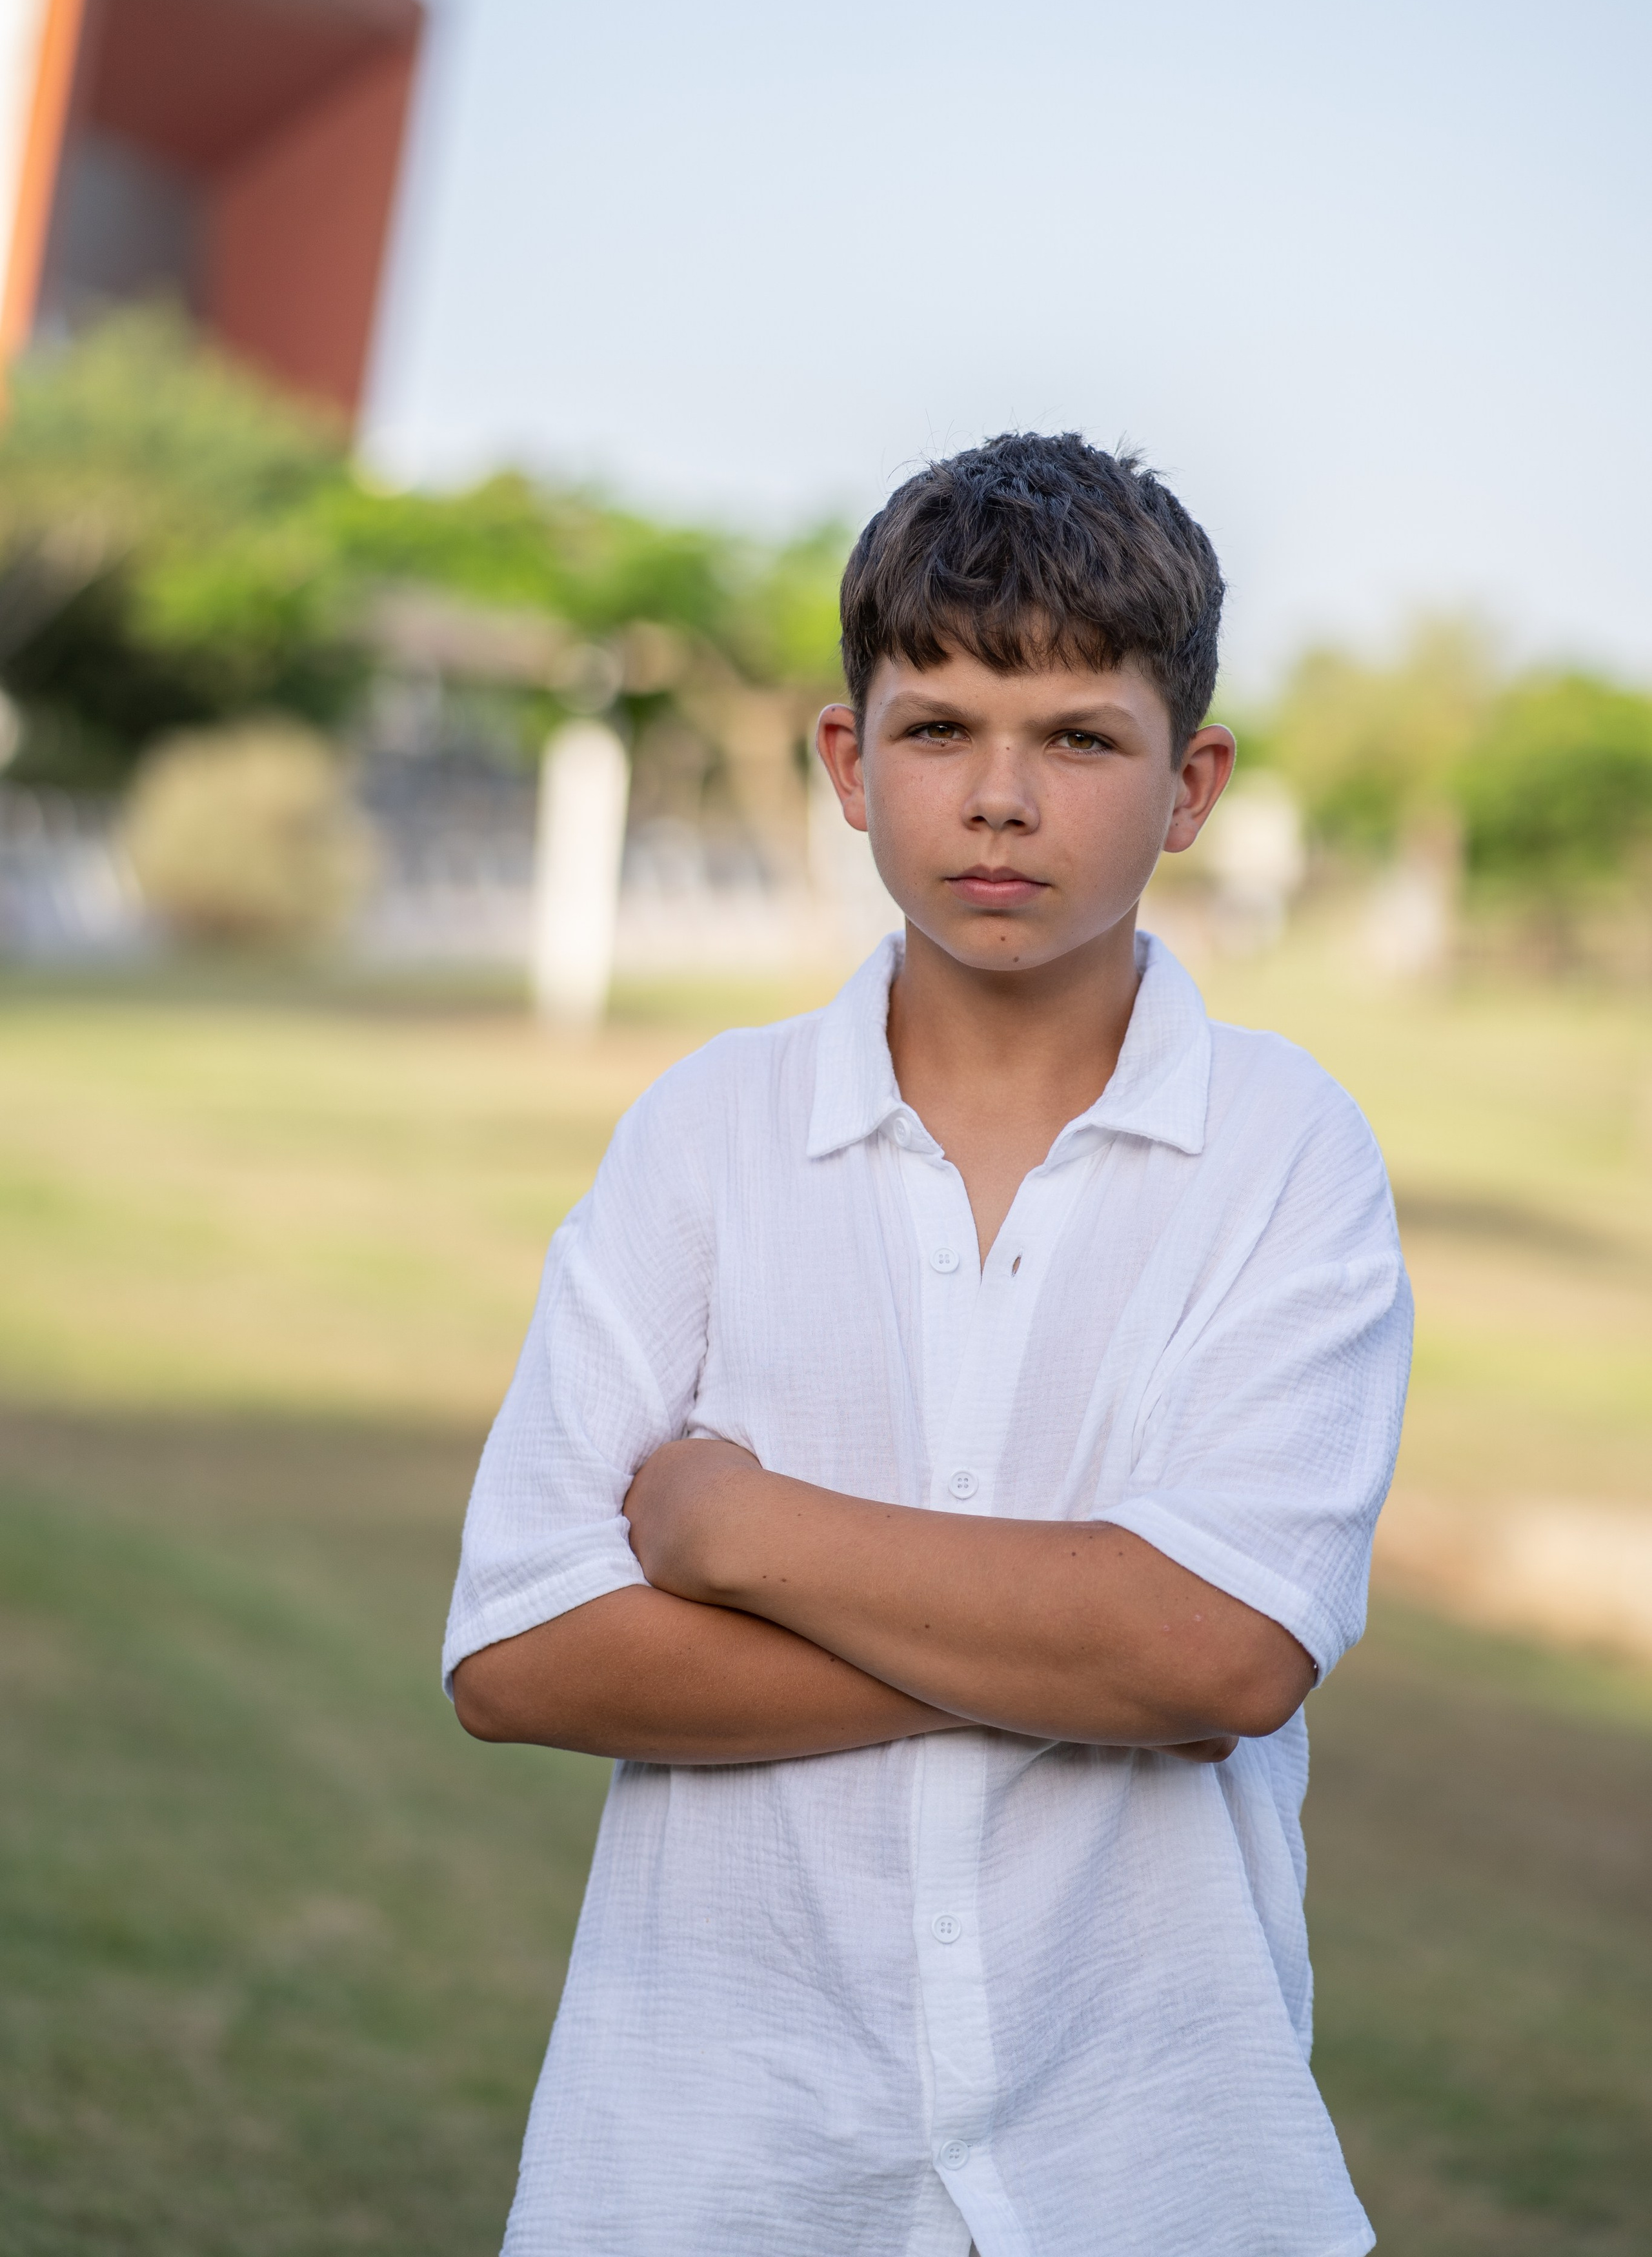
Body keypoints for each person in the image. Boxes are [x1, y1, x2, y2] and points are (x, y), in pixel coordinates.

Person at [444, 431, 1411, 2257]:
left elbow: (1218, 1653)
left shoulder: (1289, 1154)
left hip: (1154, 2161)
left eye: (1080, 739)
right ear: (847, 760)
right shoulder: (704, 1136)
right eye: (941, 727)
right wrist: (1090, 1663)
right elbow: (522, 1654)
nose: (999, 799)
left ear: (1189, 781)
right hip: (717, 2159)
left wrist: (744, 1543)